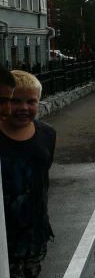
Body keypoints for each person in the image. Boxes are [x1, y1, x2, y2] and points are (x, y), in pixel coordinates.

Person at [1, 70, 57, 278]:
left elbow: (43, 173)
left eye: (31, 101)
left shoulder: (47, 134)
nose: (23, 108)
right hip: (4, 236)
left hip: (35, 232)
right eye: (15, 101)